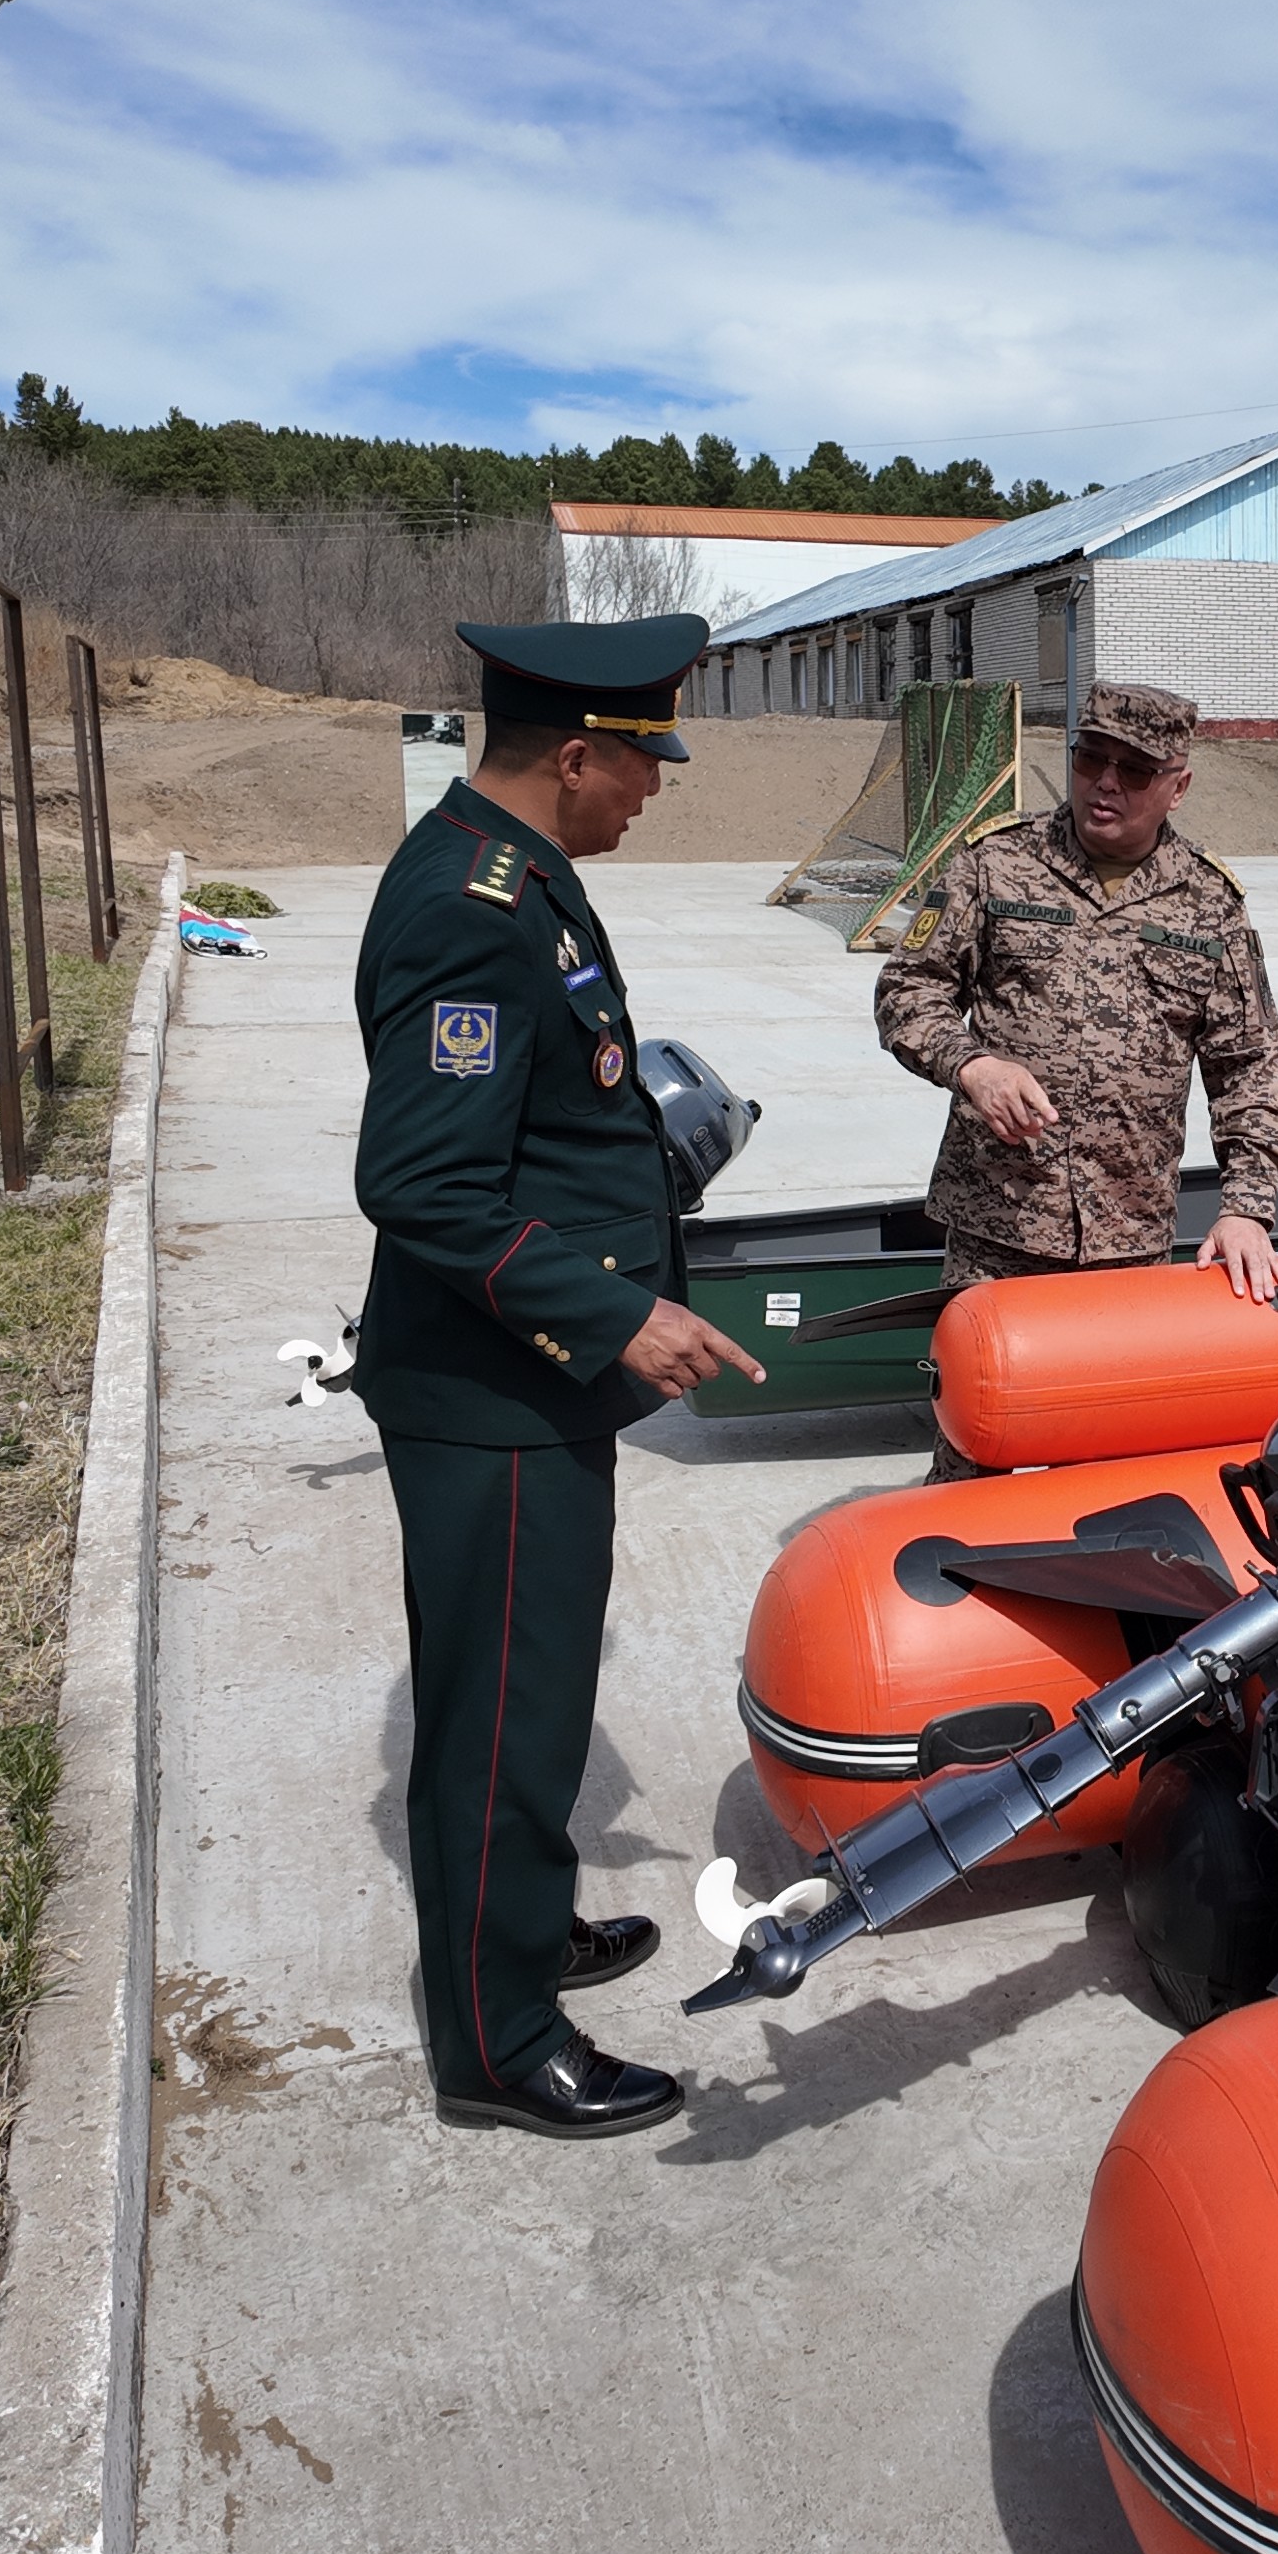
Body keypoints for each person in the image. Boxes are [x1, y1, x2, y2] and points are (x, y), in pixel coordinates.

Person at [350, 615, 765, 2140]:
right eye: (645, 760)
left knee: (533, 1698)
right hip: (498, 1391)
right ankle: (497, 2038)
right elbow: (425, 1186)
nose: (654, 788)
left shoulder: (525, 878)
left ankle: (513, 1936)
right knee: (503, 1719)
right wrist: (614, 1314)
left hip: (530, 1384)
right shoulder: (471, 905)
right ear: (576, 753)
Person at [875, 679, 1278, 1476]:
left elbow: (1252, 1066)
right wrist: (972, 1065)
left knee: (1105, 1462)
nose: (1105, 783)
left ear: (1178, 784)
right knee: (974, 1448)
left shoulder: (1209, 905)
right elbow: (909, 990)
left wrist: (1248, 1209)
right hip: (997, 1229)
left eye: (1133, 770)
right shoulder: (996, 867)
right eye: (1089, 758)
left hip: (1127, 1244)